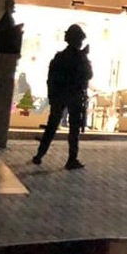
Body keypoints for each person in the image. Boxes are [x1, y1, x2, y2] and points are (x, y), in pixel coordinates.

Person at [33, 24, 92, 170]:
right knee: (74, 129)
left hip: (59, 95)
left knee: (52, 126)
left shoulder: (60, 57)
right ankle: (72, 159)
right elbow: (88, 75)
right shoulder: (80, 58)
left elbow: (51, 78)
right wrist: (84, 57)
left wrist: (52, 96)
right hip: (75, 95)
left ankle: (39, 154)